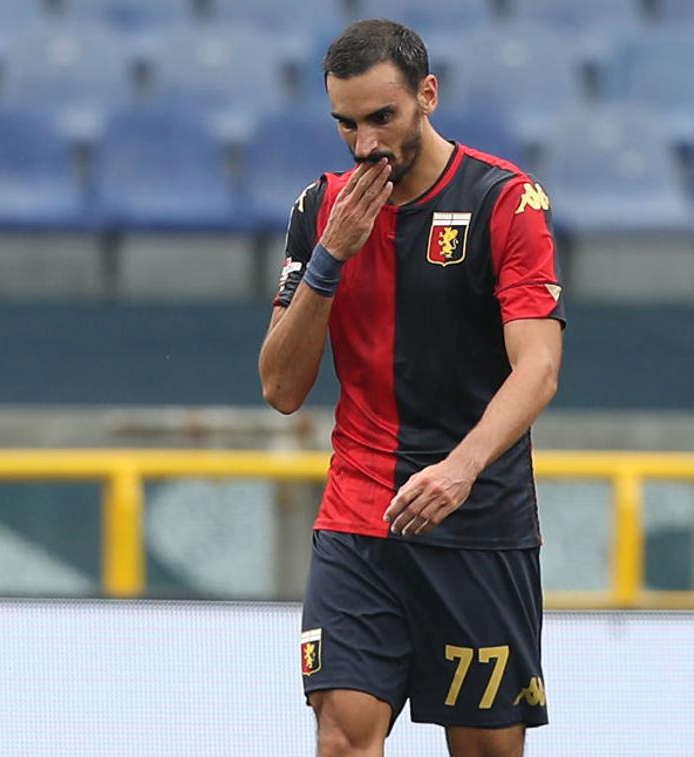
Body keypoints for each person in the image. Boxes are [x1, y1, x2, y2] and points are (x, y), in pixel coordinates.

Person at [258, 18, 565, 757]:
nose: (366, 144)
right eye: (346, 124)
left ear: (427, 96)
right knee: (341, 737)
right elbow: (280, 385)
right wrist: (330, 259)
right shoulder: (318, 210)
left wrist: (461, 468)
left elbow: (539, 367)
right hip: (360, 516)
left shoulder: (504, 203)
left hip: (477, 520)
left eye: (381, 118)